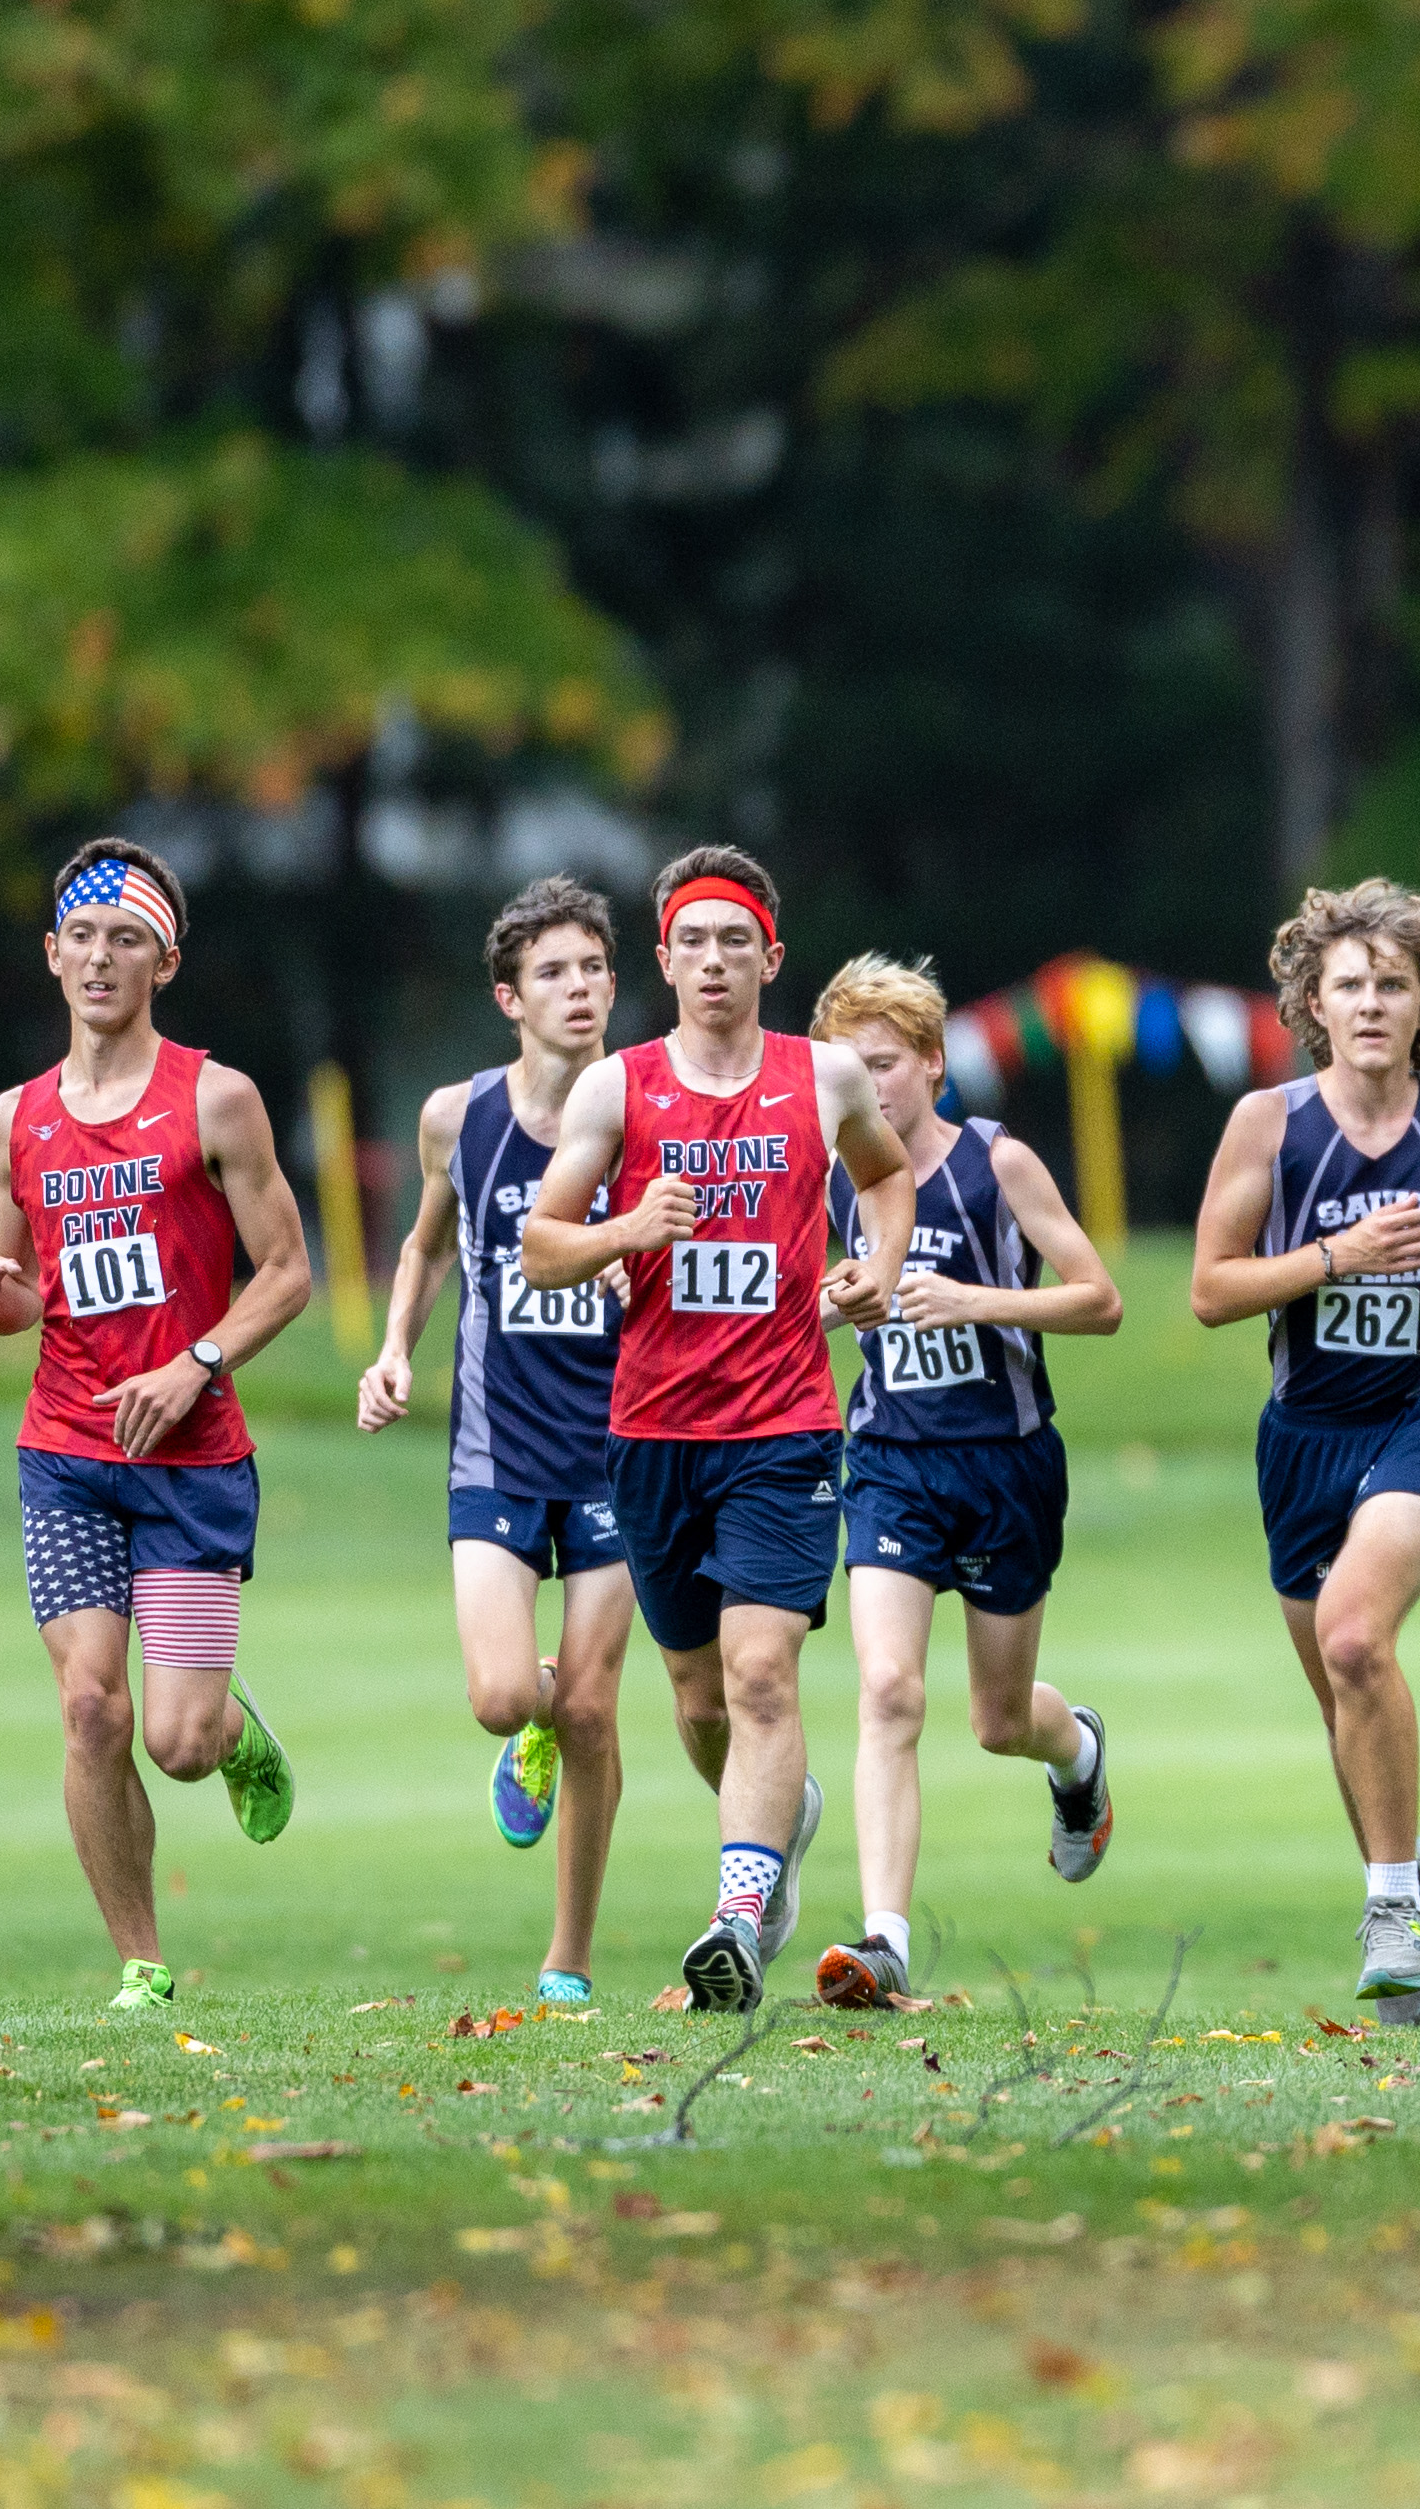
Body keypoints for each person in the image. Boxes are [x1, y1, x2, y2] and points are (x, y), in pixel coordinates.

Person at [516, 847, 916, 2013]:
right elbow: (541, 1245)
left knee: (760, 1671)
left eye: (734, 940)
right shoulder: (617, 1089)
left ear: (769, 956)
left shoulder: (825, 1076)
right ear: (664, 959)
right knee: (699, 1699)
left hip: (785, 1428)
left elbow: (887, 1180)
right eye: (692, 941)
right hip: (652, 1433)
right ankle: (778, 1828)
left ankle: (739, 1909)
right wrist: (626, 1228)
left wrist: (879, 1265)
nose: (713, 960)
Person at [0, 840, 315, 2012]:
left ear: (165, 962)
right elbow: (28, 1292)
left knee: (177, 1741)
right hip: (66, 1453)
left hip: (190, 1461)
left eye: (128, 939)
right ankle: (143, 1965)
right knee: (90, 1704)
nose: (102, 957)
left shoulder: (216, 1097)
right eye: (84, 937)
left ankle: (234, 1730)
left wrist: (196, 1365)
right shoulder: (14, 1120)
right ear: (53, 955)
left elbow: (288, 1271)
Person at [1190, 881, 1420, 2009]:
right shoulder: (1269, 1123)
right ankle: (1411, 1875)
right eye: (1348, 983)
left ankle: (1391, 1913)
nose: (1369, 1003)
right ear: (1313, 1001)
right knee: (1342, 1697)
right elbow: (1211, 1289)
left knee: (1355, 1639)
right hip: (1303, 1437)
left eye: (1391, 984)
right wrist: (1338, 1257)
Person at [805, 953, 1126, 2010]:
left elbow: (1099, 1299)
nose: (868, 1086)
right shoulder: (830, 1178)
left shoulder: (999, 1163)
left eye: (885, 1064)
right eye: (848, 1068)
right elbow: (802, 1312)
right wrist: (833, 1306)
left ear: (935, 1063)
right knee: (888, 1690)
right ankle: (885, 1941)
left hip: (1005, 1465)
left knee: (997, 1720)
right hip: (889, 1460)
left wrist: (974, 1300)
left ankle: (1077, 1752)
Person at [355, 874, 638, 2005]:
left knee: (593, 1712)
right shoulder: (457, 1117)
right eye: (553, 972)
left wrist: (639, 1262)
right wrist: (395, 1347)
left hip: (621, 1447)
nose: (579, 989)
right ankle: (533, 1712)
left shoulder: (654, 1110)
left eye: (593, 968)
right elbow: (429, 1244)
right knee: (504, 1699)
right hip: (499, 1448)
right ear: (509, 998)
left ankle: (569, 1958)